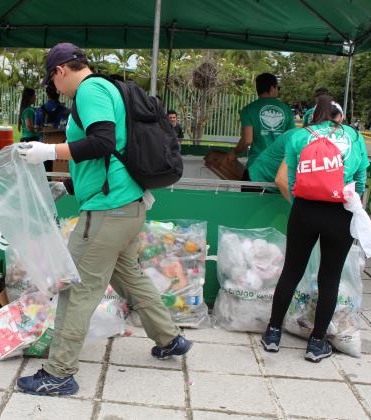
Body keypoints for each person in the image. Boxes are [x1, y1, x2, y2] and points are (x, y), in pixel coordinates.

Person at [16, 42, 192, 396]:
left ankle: (59, 373)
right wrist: (68, 184)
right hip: (128, 207)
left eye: (54, 82)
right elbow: (109, 156)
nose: (57, 90)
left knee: (76, 288)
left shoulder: (90, 90)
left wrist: (48, 151)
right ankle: (170, 339)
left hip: (108, 211)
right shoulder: (107, 88)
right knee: (131, 278)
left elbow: (102, 142)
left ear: (60, 70)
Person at [261, 94, 369, 363]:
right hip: (340, 213)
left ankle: (273, 333)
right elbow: (361, 177)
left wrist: (303, 205)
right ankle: (317, 342)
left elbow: (293, 177)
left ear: (312, 116)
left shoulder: (298, 137)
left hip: (305, 211)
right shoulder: (353, 136)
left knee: (291, 272)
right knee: (329, 279)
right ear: (339, 116)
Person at [227, 73, 295, 182]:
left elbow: (247, 140)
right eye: (278, 88)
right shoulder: (286, 110)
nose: (278, 90)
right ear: (272, 87)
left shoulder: (248, 110)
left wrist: (234, 153)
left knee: (247, 199)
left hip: (255, 169)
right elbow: (292, 140)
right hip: (279, 171)